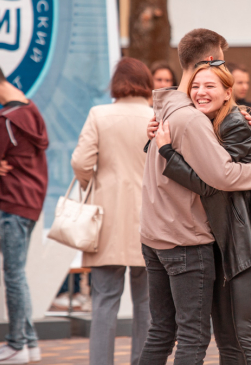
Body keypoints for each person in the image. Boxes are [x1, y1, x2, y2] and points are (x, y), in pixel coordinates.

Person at [139, 28, 251, 365]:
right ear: (209, 61)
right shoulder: (190, 119)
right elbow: (223, 176)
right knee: (193, 337)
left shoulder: (167, 109)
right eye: (221, 63)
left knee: (161, 332)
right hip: (186, 240)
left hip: (155, 237)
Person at [71, 57, 153, 365]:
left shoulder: (99, 115)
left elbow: (81, 162)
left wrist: (92, 183)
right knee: (147, 304)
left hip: (106, 220)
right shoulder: (157, 117)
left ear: (116, 83)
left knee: (104, 302)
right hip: (151, 220)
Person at [0, 59, 49, 365]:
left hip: (12, 202)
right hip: (31, 203)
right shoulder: (31, 110)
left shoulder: (2, 122)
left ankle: (16, 344)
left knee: (13, 275)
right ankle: (29, 343)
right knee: (19, 275)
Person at [228, 62, 251, 142]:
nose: (245, 87)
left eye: (247, 83)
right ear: (228, 83)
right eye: (240, 83)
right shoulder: (218, 108)